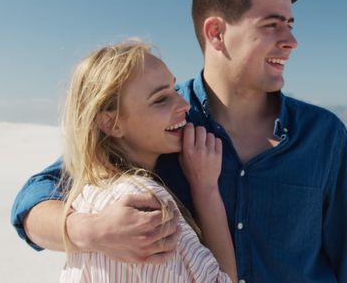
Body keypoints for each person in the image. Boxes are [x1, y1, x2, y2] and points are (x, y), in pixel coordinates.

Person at [12, 0, 347, 282]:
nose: (292, 40)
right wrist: (89, 232)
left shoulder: (324, 134)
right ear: (216, 33)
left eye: (291, 24)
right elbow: (32, 200)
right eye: (272, 25)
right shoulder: (157, 123)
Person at [57, 39, 236, 282]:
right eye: (161, 99)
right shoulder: (147, 206)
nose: (184, 104)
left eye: (174, 89)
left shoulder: (86, 196)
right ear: (112, 123)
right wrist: (206, 190)